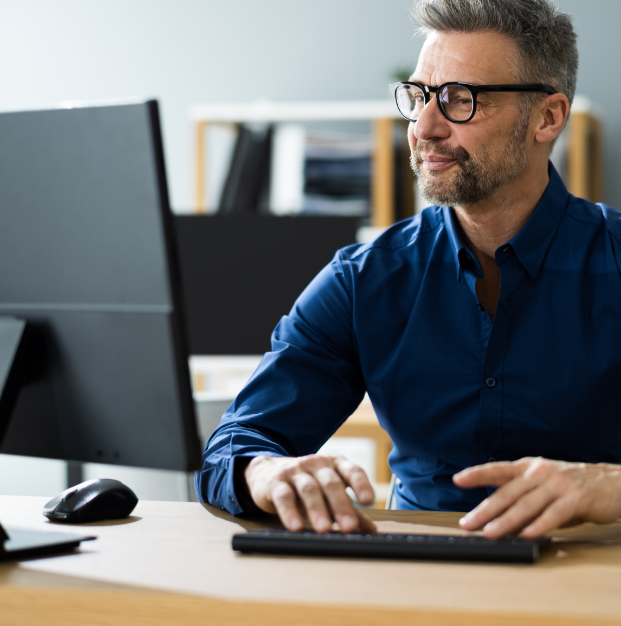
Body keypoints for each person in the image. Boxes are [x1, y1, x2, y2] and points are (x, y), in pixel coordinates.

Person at [196, 0, 621, 539]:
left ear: (548, 116)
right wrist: (267, 470)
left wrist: (610, 485)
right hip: (417, 573)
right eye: (418, 97)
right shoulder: (364, 278)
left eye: (460, 100)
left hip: (593, 582)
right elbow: (236, 445)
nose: (424, 126)